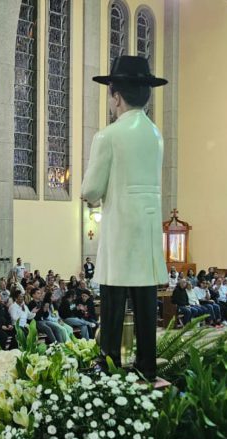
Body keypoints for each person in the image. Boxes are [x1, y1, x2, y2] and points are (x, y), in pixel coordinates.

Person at [81, 55, 168, 381]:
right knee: (146, 300)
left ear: (116, 96)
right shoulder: (155, 134)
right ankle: (147, 364)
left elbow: (91, 189)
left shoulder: (108, 136)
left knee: (114, 299)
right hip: (146, 227)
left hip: (120, 226)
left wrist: (89, 195)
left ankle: (110, 363)